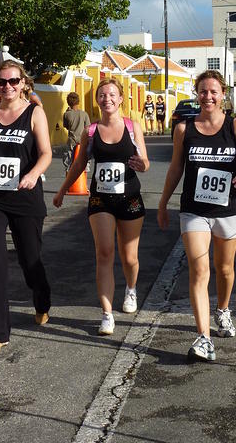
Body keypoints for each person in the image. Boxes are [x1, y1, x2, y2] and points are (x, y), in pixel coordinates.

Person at [157, 70, 236, 362]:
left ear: (223, 94)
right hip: (194, 211)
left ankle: (223, 310)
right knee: (199, 270)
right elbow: (176, 168)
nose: (208, 97)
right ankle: (203, 338)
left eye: (213, 91)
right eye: (203, 91)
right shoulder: (184, 129)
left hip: (227, 210)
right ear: (196, 94)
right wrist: (163, 203)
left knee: (224, 269)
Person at [53, 78, 149, 336]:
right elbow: (79, 163)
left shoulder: (132, 127)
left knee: (130, 257)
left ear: (120, 100)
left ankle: (131, 289)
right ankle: (107, 314)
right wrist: (63, 189)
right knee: (104, 253)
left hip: (129, 197)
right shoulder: (91, 132)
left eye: (112, 95)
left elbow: (146, 162)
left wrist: (142, 165)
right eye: (102, 95)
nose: (107, 99)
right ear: (97, 100)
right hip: (100, 199)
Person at [0, 60, 52, 354]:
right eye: (2, 82)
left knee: (30, 260)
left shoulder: (34, 113)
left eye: (13, 81)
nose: (8, 87)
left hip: (25, 197)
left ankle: (42, 299)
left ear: (23, 83)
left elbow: (46, 153)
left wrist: (32, 175)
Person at [62, 92, 90, 172]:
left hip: (72, 139)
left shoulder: (66, 114)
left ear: (68, 103)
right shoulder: (84, 114)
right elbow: (88, 127)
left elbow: (66, 126)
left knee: (69, 155)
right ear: (78, 101)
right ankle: (86, 166)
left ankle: (68, 168)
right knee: (85, 152)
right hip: (83, 139)